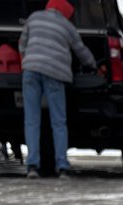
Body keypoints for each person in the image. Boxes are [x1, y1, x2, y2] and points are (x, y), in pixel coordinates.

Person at [18, 0, 96, 178]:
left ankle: (32, 166)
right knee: (58, 122)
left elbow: (22, 44)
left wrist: (27, 60)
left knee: (31, 120)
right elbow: (81, 51)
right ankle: (62, 166)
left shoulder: (34, 18)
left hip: (31, 71)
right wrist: (93, 66)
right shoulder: (67, 26)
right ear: (66, 13)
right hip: (55, 74)